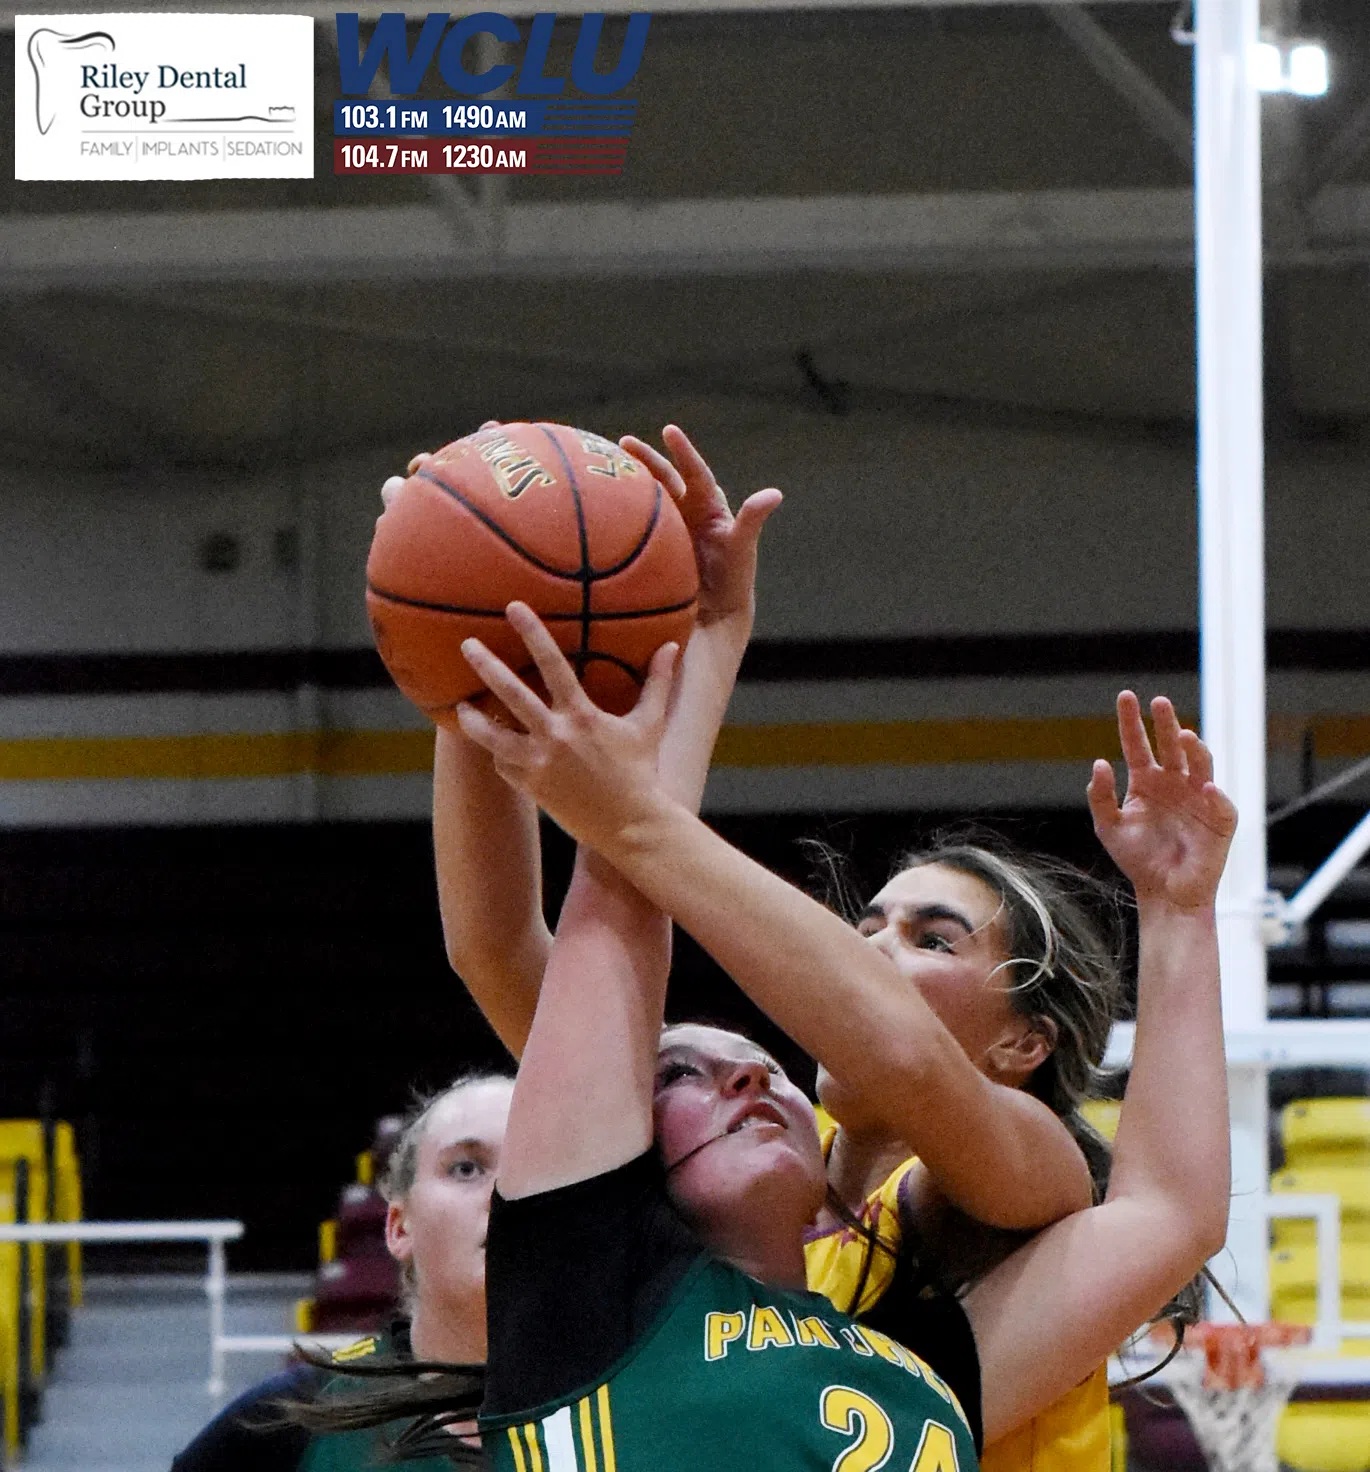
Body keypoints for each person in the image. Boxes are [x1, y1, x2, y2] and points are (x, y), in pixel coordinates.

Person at [418, 426, 1212, 1467]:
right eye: (864, 924)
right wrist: (472, 641)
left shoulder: (995, 1224)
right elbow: (527, 948)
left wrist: (1181, 909)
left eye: (932, 938)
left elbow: (917, 1061)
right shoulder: (634, 1266)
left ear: (1024, 1041)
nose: (868, 949)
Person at [169, 1072, 511, 1472]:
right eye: (466, 1169)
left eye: (529, 1171)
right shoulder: (288, 1422)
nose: (503, 1192)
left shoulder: (584, 1416)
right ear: (399, 1228)